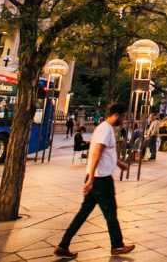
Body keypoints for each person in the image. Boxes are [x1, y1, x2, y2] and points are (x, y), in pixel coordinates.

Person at [54, 103, 135, 258]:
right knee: (111, 212)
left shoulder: (104, 128)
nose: (124, 120)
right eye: (123, 117)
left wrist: (118, 164)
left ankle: (63, 245)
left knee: (83, 213)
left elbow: (103, 150)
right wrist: (91, 177)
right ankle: (117, 245)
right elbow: (97, 151)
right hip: (101, 179)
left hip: (97, 178)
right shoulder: (105, 129)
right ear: (116, 115)